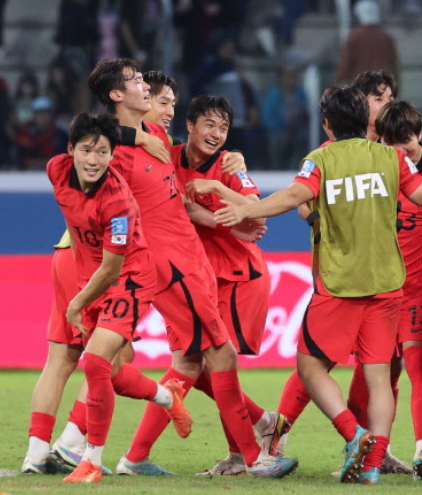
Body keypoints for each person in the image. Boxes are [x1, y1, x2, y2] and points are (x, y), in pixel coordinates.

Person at [213, 86, 422, 485]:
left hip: (340, 284)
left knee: (310, 365)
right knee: (379, 377)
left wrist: (245, 209)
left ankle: (354, 434)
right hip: (387, 285)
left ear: (327, 124)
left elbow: (294, 196)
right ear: (365, 117)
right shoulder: (393, 158)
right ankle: (373, 463)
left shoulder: (320, 160)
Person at [85, 58, 296, 479]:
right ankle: (256, 454)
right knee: (220, 353)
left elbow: (183, 203)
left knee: (189, 361)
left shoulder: (160, 137)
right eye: (140, 84)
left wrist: (226, 216)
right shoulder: (115, 149)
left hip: (191, 260)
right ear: (116, 96)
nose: (151, 93)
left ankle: (135, 457)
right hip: (168, 264)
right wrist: (129, 137)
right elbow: (83, 142)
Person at [272, 70, 413, 476]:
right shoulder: (330, 153)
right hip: (339, 276)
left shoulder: (391, 151)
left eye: (389, 98)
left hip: (383, 275)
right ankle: (276, 440)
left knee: (383, 367)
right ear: (360, 104)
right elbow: (302, 202)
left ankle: (371, 449)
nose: (384, 106)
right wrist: (328, 219)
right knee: (318, 363)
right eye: (378, 98)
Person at [41, 113, 191, 483]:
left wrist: (76, 302)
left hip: (131, 278)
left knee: (92, 364)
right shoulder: (56, 170)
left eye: (103, 152)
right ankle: (166, 397)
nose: (93, 159)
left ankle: (90, 459)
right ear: (70, 150)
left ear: (112, 156)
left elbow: (112, 268)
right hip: (93, 277)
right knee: (113, 371)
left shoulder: (118, 200)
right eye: (87, 150)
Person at [174, 95, 282, 476]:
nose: (216, 134)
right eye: (209, 124)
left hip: (236, 275)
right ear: (189, 125)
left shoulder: (230, 165)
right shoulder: (168, 159)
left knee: (215, 365)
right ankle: (266, 423)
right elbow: (182, 210)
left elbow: (254, 206)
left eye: (223, 127)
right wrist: (226, 223)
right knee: (199, 368)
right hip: (193, 278)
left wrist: (217, 189)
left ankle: (242, 454)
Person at [373, 100, 422, 480]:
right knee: (380, 375)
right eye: (391, 142)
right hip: (380, 290)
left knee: (419, 367)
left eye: (405, 141)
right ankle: (379, 451)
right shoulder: (378, 167)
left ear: (419, 135)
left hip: (421, 287)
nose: (399, 150)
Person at [335, 1, 399, 86]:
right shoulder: (386, 37)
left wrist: (338, 81)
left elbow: (345, 64)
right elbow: (394, 65)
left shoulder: (354, 37)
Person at [14, 97, 68, 169]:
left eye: (45, 113)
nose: (42, 117)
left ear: (50, 115)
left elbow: (64, 159)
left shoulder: (60, 134)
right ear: (34, 115)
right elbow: (19, 158)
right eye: (39, 113)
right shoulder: (25, 132)